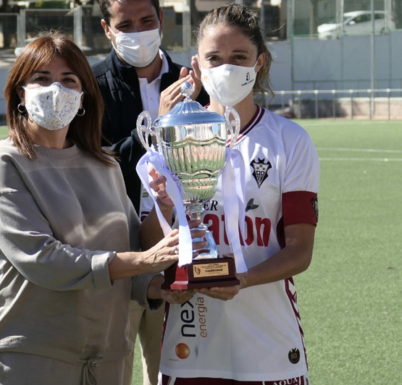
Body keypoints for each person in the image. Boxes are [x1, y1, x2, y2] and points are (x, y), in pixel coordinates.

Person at [0, 33, 199, 385]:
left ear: (82, 98)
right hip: (30, 358)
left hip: (106, 357)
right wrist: (145, 262)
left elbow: (133, 251)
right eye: (42, 79)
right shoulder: (2, 163)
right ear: (20, 93)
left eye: (68, 80)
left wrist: (156, 278)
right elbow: (43, 259)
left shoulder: (105, 165)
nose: (55, 90)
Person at [158, 5, 319, 384]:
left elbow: (300, 249)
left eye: (239, 57)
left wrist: (242, 280)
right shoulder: (173, 138)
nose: (226, 68)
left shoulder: (289, 140)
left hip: (268, 341)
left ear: (259, 62)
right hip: (191, 336)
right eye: (214, 58)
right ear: (197, 65)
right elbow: (156, 237)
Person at [92, 2, 208, 381]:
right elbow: (96, 164)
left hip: (180, 250)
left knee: (175, 367)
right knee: (113, 369)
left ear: (161, 22)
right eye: (125, 24)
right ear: (108, 29)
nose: (138, 31)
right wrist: (157, 126)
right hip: (118, 255)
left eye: (146, 21)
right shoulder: (90, 86)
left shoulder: (193, 82)